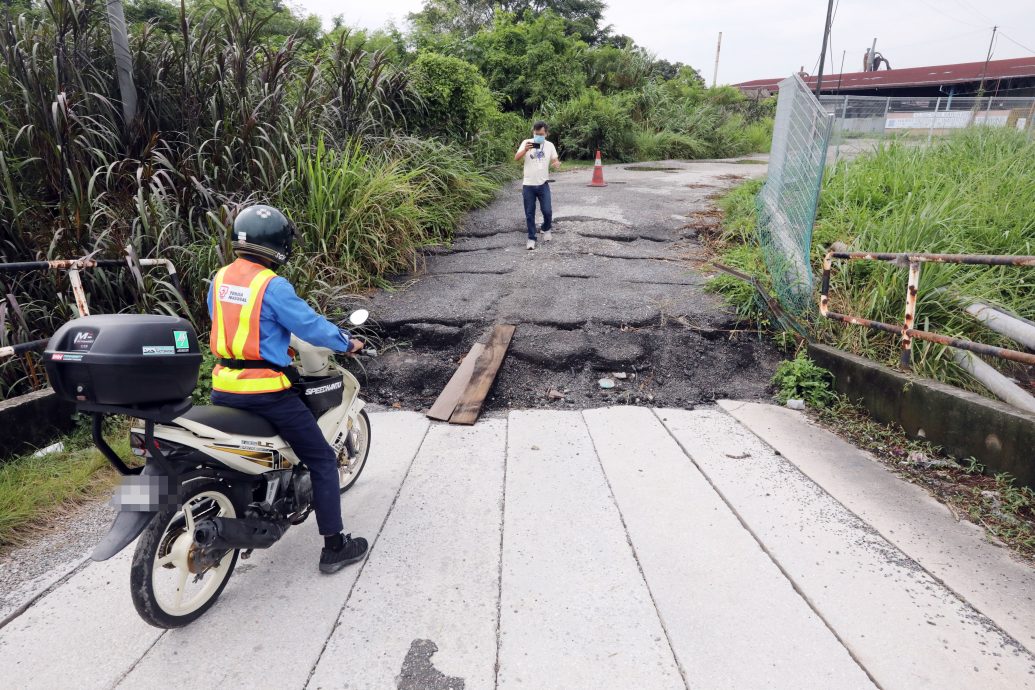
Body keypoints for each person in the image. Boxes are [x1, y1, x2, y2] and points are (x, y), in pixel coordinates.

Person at [207, 204, 368, 574]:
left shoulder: (220, 278)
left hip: (222, 388)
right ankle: (335, 547)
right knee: (324, 460)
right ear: (279, 245)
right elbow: (309, 326)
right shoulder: (271, 284)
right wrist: (347, 342)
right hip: (265, 392)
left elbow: (227, 322)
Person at [514, 120, 561, 250]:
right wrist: (525, 150)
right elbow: (516, 158)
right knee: (529, 213)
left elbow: (555, 159)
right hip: (528, 184)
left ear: (546, 133)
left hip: (543, 183)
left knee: (547, 211)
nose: (538, 136)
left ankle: (546, 228)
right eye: (536, 133)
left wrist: (556, 163)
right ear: (533, 132)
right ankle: (531, 238)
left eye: (541, 134)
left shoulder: (550, 145)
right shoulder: (526, 143)